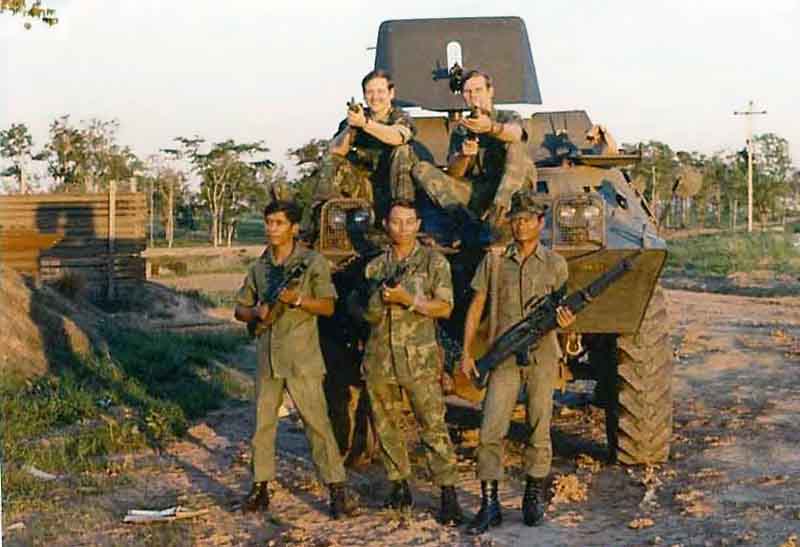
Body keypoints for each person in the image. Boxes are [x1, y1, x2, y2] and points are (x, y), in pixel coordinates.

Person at [460, 190, 575, 533]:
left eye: (528, 219)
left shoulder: (555, 263)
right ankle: (490, 503)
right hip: (504, 355)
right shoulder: (494, 261)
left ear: (541, 223)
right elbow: (477, 306)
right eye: (516, 219)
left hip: (542, 355)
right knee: (490, 429)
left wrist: (567, 324)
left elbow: (564, 308)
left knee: (540, 427)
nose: (521, 225)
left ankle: (533, 495)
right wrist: (467, 352)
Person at [234, 200, 355, 519]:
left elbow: (328, 306)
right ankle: (260, 487)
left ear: (294, 228)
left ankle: (336, 489)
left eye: (278, 223)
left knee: (317, 424)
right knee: (262, 425)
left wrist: (298, 299)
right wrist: (256, 312)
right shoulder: (260, 267)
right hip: (267, 357)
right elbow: (239, 309)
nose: (272, 229)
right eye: (269, 222)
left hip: (302, 358)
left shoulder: (312, 262)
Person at [358, 199, 463, 525]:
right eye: (395, 222)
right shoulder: (375, 267)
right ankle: (399, 485)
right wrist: (375, 300)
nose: (401, 228)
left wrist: (409, 300)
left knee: (432, 425)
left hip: (419, 359)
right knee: (386, 425)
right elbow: (364, 314)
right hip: (380, 358)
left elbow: (445, 308)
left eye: (408, 222)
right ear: (386, 226)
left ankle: (447, 492)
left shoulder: (433, 263)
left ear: (418, 225)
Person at [412, 70, 537, 238]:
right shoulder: (462, 128)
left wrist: (491, 128)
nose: (473, 95)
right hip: (476, 190)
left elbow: (515, 134)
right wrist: (464, 156)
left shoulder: (508, 116)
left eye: (478, 90)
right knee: (421, 169)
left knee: (515, 146)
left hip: (507, 190)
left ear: (490, 91)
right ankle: (467, 224)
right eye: (468, 91)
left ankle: (497, 217)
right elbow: (455, 174)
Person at [307, 69, 417, 230]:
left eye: (380, 91)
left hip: (393, 186)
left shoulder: (400, 117)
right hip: (363, 187)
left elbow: (397, 137)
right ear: (364, 96)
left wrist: (365, 124)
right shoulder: (356, 119)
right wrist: (351, 128)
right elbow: (335, 151)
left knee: (403, 150)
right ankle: (321, 220)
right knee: (330, 160)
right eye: (370, 92)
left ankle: (402, 217)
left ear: (391, 93)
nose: (375, 97)